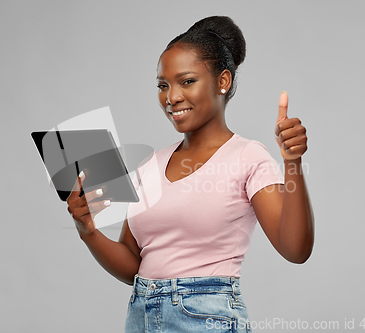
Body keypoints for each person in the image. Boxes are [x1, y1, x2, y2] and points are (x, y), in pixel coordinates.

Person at [67, 16, 314, 333]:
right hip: (141, 317)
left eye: (186, 81)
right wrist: (88, 230)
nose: (171, 97)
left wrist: (292, 162)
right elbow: (135, 264)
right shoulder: (150, 164)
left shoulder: (247, 157)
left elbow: (295, 249)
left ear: (222, 82)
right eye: (162, 85)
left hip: (205, 317)